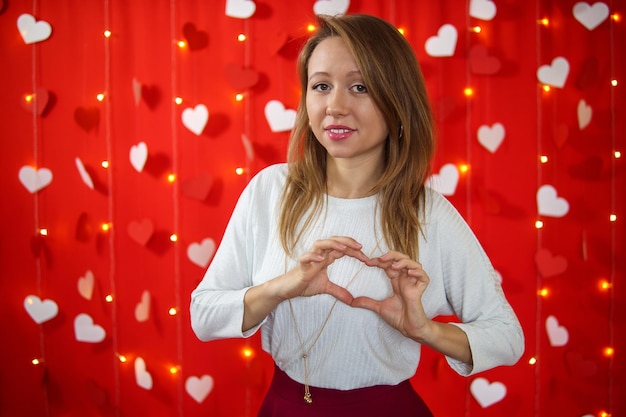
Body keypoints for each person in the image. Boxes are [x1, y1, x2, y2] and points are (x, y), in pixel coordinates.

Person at [190, 13, 524, 417]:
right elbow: (204, 315)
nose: (335, 106)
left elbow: (507, 337)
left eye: (360, 87)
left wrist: (425, 330)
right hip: (286, 407)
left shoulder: (428, 214)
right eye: (321, 86)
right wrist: (284, 286)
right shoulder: (271, 190)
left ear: (396, 100)